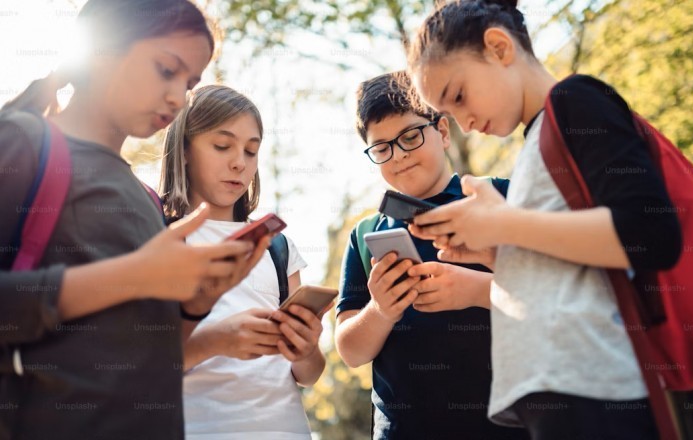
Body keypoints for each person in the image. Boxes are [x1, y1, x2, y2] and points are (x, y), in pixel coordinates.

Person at [405, 1, 682, 438]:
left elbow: (651, 233)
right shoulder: (537, 140)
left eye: (459, 96)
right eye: (449, 115)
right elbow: (577, 265)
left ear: (498, 47)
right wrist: (499, 253)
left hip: (594, 389)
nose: (465, 123)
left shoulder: (577, 100)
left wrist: (502, 224)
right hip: (560, 394)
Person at [0, 1, 268, 438]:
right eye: (166, 70)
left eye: (190, 82)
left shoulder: (145, 198)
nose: (178, 97)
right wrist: (134, 275)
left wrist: (196, 306)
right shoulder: (24, 143)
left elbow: (158, 354)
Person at [335, 71, 527, 440]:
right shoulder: (365, 234)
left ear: (441, 132)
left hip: (510, 426)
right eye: (382, 147)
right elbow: (350, 351)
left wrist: (481, 288)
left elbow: (557, 295)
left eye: (410, 136)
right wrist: (381, 310)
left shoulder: (499, 198)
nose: (400, 155)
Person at [159, 84, 325, 439]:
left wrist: (306, 349)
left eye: (251, 151)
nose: (240, 162)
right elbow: (140, 369)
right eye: (222, 146)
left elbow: (308, 375)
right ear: (184, 149)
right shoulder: (157, 240)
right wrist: (215, 341)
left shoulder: (278, 247)